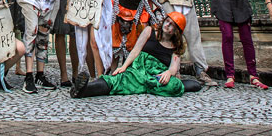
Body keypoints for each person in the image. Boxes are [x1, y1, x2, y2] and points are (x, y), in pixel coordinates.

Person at [71, 12, 201, 98]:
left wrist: (169, 73)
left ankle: (148, 85)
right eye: (167, 21)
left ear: (176, 32)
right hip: (139, 68)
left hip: (156, 75)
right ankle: (83, 90)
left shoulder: (175, 46)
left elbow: (174, 66)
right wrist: (124, 66)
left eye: (172, 25)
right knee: (116, 80)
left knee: (177, 85)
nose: (167, 25)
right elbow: (136, 50)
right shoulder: (150, 31)